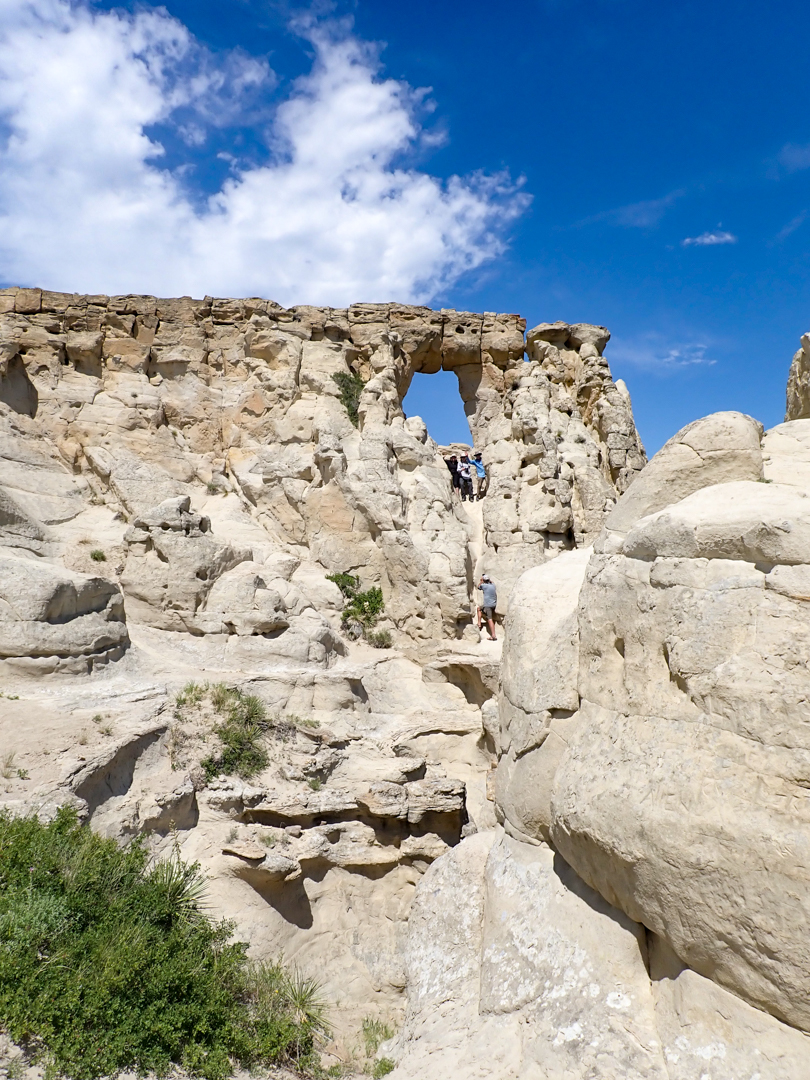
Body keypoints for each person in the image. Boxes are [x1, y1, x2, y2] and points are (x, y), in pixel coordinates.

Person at [476, 574, 498, 641]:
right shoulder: (493, 585)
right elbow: (492, 582)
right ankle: (479, 624)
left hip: (488, 605)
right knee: (479, 608)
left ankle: (493, 635)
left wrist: (481, 581)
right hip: (494, 604)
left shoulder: (484, 586)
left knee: (489, 619)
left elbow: (478, 587)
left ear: (483, 580)